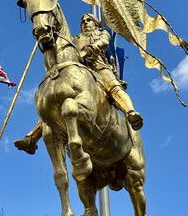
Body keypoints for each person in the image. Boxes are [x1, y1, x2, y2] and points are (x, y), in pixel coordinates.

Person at [14, 13, 143, 155]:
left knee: (113, 87)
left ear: (96, 23)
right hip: (78, 73)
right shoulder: (75, 39)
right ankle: (32, 138)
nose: (86, 23)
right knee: (54, 103)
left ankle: (130, 112)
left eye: (89, 20)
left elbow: (104, 42)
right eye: (83, 21)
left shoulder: (101, 32)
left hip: (98, 68)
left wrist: (90, 49)